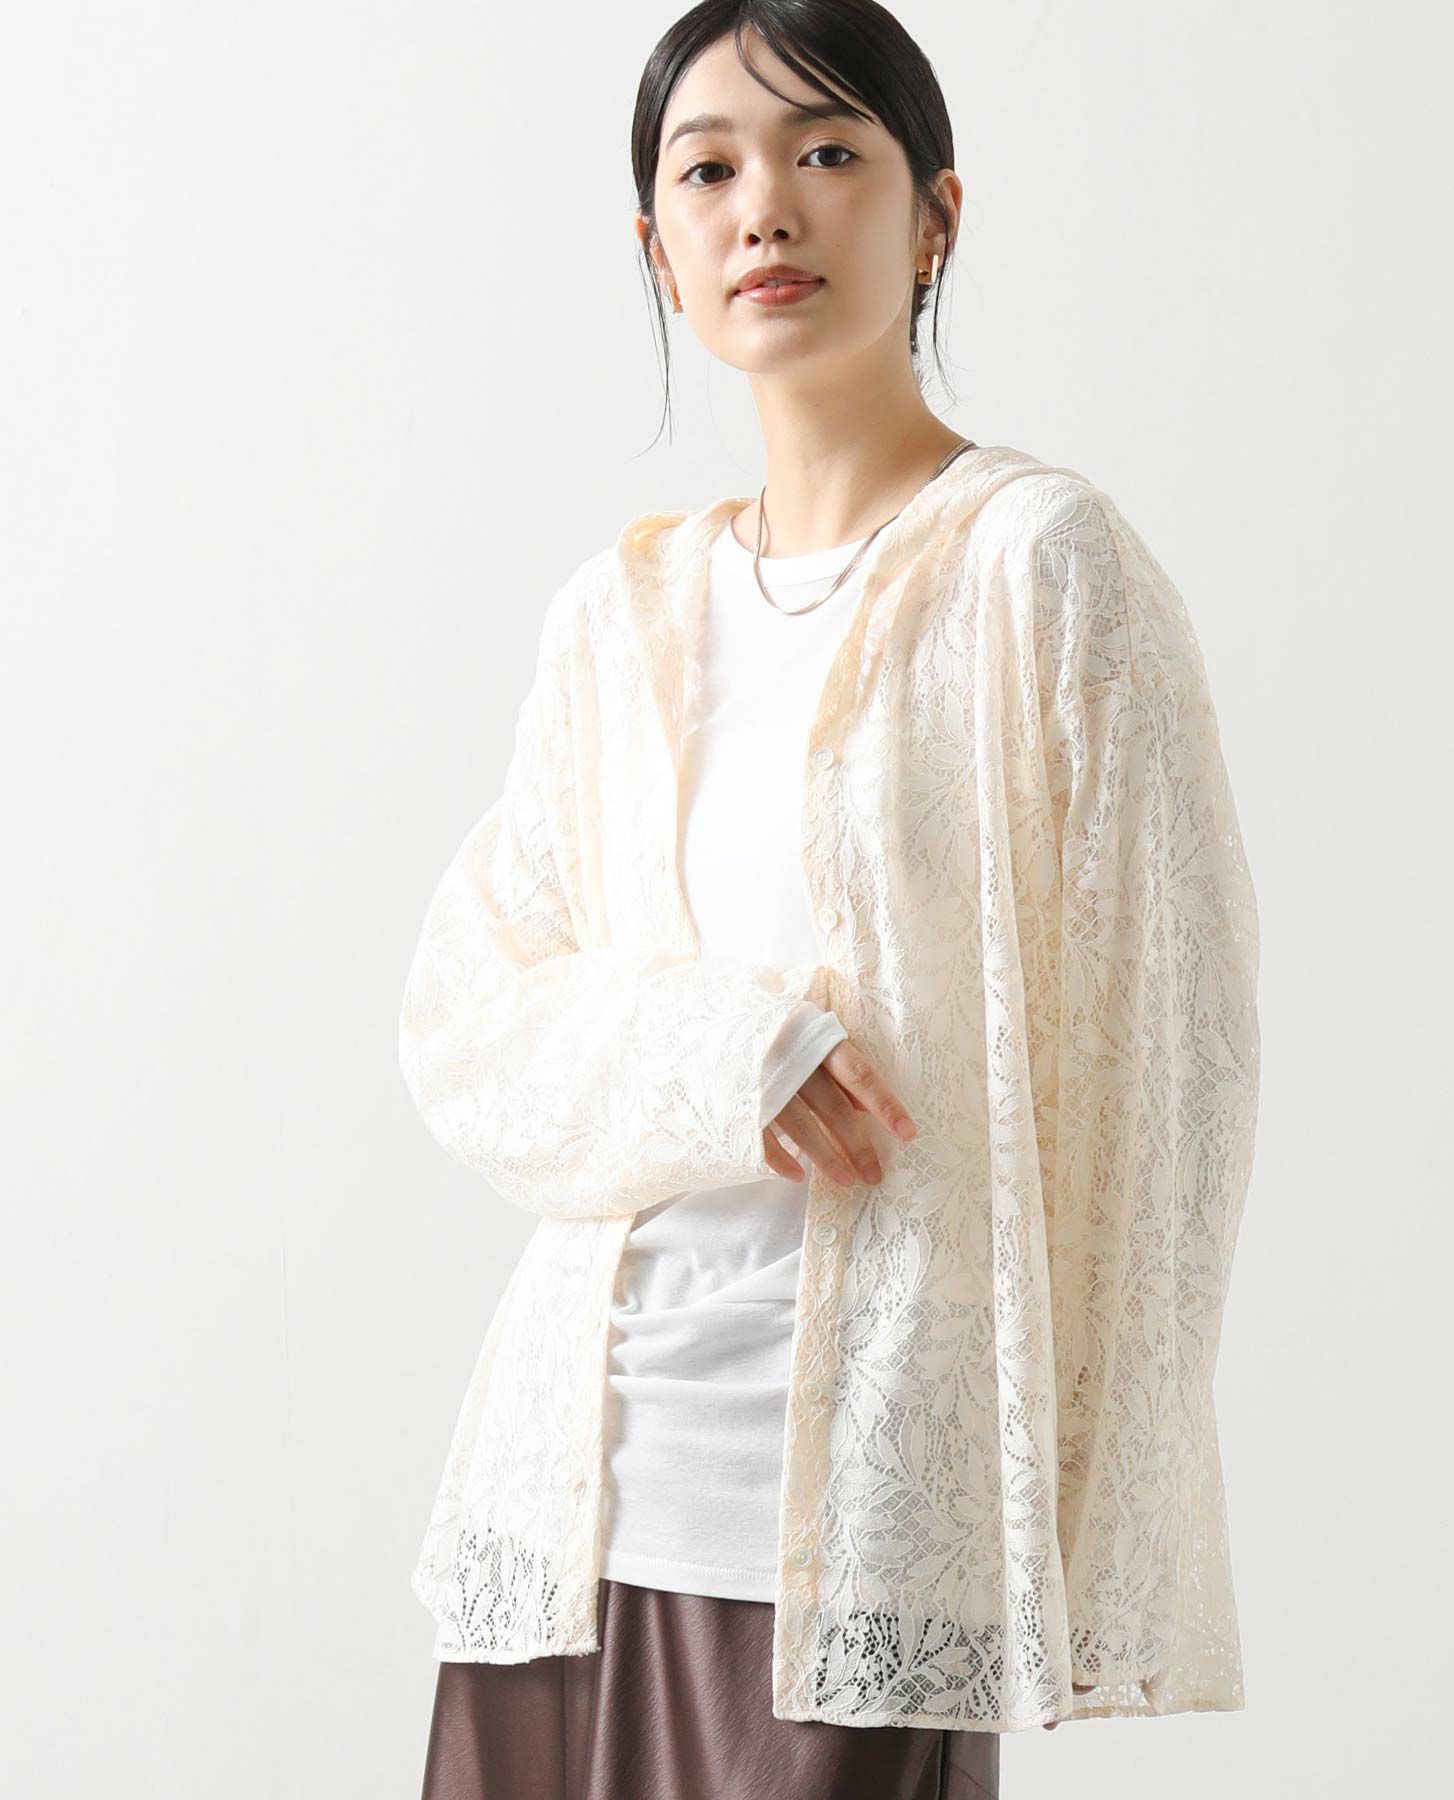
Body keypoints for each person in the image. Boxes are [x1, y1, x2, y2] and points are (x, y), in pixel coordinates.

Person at [400, 5, 1261, 1797]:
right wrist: (736, 1053)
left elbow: (1171, 1070)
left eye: (825, 153)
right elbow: (472, 1023)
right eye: (707, 170)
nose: (764, 209)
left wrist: (1084, 1530)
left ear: (936, 214)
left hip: (865, 1532)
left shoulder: (1041, 567)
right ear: (659, 248)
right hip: (565, 1511)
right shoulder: (617, 619)